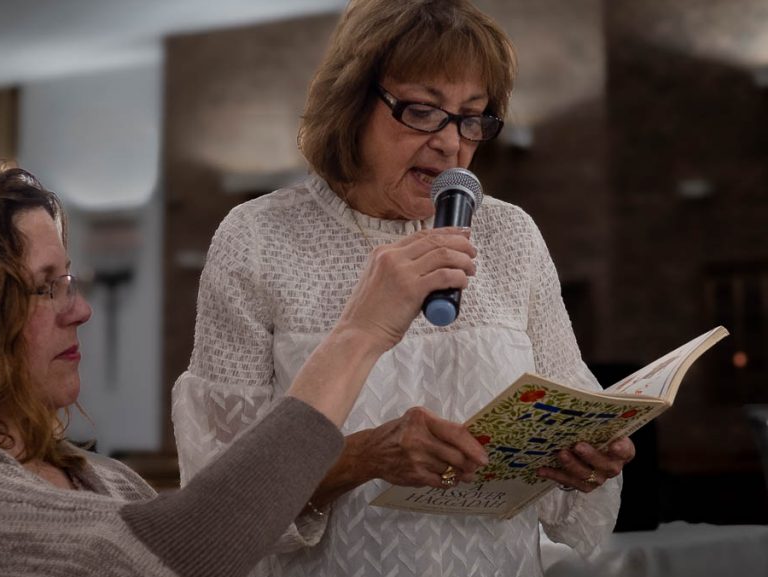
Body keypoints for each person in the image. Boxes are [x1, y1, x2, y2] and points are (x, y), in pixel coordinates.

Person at [0, 158, 477, 577]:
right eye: (44, 286)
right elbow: (180, 550)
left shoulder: (102, 476)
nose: (77, 310)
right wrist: (357, 334)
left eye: (68, 279)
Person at [171, 0, 636, 576]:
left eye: (473, 117)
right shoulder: (259, 239)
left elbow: (570, 457)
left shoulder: (509, 234)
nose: (451, 144)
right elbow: (220, 502)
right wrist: (363, 457)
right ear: (353, 103)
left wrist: (585, 460)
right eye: (422, 111)